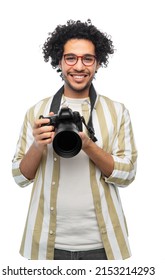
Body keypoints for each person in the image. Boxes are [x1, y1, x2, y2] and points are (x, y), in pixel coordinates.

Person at [12, 19, 137, 260]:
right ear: (59, 61)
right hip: (44, 246)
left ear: (98, 63)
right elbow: (19, 178)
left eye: (87, 59)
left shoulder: (117, 111)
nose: (79, 66)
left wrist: (88, 145)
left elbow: (127, 175)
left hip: (104, 245)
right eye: (70, 58)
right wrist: (38, 145)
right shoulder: (37, 111)